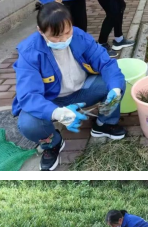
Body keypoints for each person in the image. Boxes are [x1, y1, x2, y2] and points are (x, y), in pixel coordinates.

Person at [13, 2, 126, 171]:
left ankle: (104, 123)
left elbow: (107, 64)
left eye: (67, 32)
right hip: (52, 101)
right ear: (40, 31)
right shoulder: (30, 52)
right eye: (56, 37)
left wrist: (115, 89)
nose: (64, 40)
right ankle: (52, 143)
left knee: (115, 82)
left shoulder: (79, 37)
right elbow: (28, 95)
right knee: (28, 123)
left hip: (82, 90)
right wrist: (57, 113)